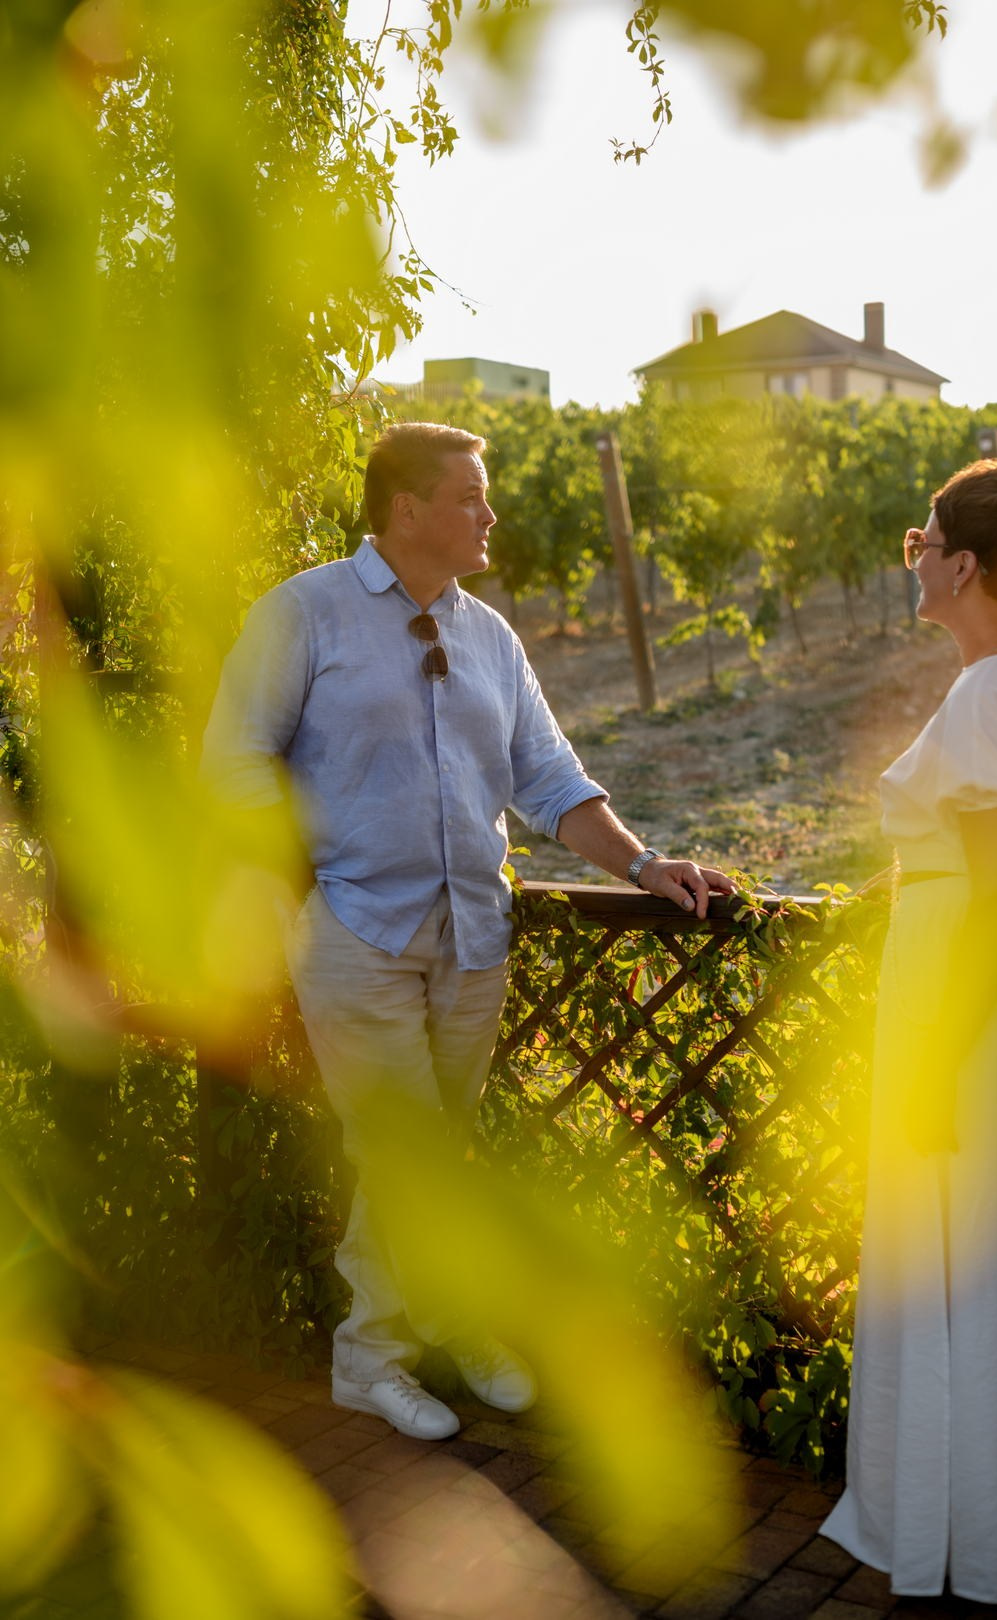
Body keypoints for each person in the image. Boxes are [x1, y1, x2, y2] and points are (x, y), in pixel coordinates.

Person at [202, 421, 735, 1441]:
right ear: (408, 509)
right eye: (471, 498)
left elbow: (549, 779)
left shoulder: (491, 635)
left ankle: (395, 1342)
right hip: (355, 930)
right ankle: (410, 1345)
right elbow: (231, 762)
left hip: (473, 937)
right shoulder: (304, 615)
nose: (492, 514)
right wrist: (295, 887)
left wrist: (641, 862)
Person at [820, 459, 997, 1602]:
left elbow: (981, 896)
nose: (912, 553)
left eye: (922, 538)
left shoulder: (989, 695)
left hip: (969, 993)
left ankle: (969, 1534)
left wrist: (932, 1059)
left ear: (964, 565)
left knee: (967, 1245)